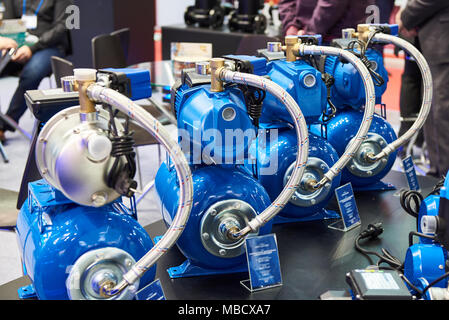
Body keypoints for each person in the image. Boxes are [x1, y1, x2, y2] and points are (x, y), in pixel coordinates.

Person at [0, 0, 73, 143]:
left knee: (32, 73)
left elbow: (62, 26)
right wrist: (11, 42)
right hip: (17, 43)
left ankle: (4, 124)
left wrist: (32, 48)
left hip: (49, 45)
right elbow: (9, 21)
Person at [397, 0, 449, 177]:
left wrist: (405, 17)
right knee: (435, 110)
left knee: (440, 112)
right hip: (436, 39)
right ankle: (439, 174)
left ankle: (443, 178)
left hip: (442, 41)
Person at [278, 0, 375, 42]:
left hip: (340, 35)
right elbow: (286, 2)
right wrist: (291, 25)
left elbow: (331, 4)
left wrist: (309, 35)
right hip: (307, 33)